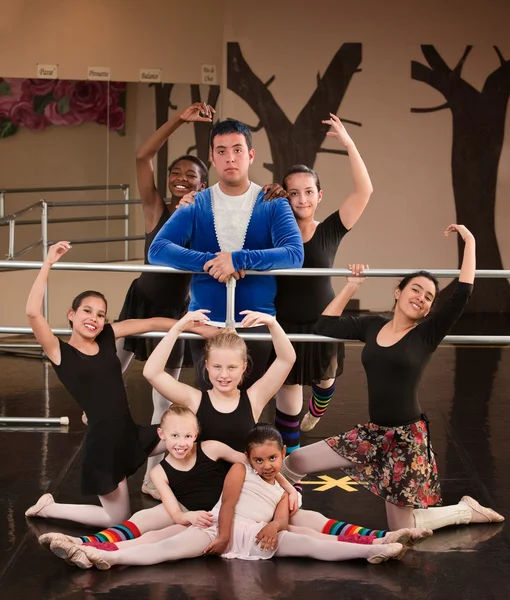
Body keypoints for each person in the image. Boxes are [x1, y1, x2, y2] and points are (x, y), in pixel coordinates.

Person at [281, 225, 505, 532]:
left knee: (402, 529)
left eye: (429, 296)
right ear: (398, 291)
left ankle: (465, 511)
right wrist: (351, 287)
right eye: (415, 289)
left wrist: (470, 240)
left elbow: (463, 293)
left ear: (429, 308)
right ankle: (277, 507)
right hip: (373, 435)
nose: (421, 298)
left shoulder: (426, 334)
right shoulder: (373, 325)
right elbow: (325, 326)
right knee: (296, 462)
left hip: (406, 442)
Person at [24, 241, 214, 527]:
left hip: (130, 434)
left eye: (100, 314)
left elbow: (150, 322)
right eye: (87, 311)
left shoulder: (107, 336)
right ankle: (48, 509)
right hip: (105, 446)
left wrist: (197, 327)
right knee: (117, 517)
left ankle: (193, 494)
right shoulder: (59, 352)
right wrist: (48, 264)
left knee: (198, 435)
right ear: (71, 314)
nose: (94, 319)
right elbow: (33, 314)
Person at [47, 424, 405, 569]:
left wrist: (277, 527)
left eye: (273, 459)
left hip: (256, 534)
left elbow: (282, 511)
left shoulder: (281, 483)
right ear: (249, 458)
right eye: (259, 459)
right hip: (216, 527)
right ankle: (95, 552)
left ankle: (372, 548)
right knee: (160, 548)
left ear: (283, 455)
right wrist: (220, 536)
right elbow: (228, 505)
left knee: (310, 540)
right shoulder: (239, 470)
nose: (266, 465)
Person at [148, 118, 304, 391]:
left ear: (250, 155)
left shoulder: (273, 202)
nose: (230, 158)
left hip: (255, 322)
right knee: (208, 407)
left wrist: (238, 259)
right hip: (206, 323)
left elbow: (294, 254)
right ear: (211, 157)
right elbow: (158, 250)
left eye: (237, 150)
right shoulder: (196, 203)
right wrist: (212, 262)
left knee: (252, 408)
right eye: (221, 151)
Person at [116, 102, 211, 500]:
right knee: (109, 364)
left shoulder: (206, 218)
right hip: (140, 301)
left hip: (174, 314)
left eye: (191, 175)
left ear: (203, 186)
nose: (181, 178)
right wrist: (180, 121)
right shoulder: (156, 207)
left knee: (160, 400)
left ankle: (150, 478)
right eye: (176, 172)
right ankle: (100, 413)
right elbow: (143, 156)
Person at [274, 113, 373, 455]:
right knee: (287, 396)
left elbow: (365, 190)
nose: (301, 199)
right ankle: (289, 463)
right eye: (293, 193)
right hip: (283, 321)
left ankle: (318, 408)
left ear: (319, 195)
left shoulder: (330, 228)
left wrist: (348, 143)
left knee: (325, 380)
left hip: (323, 319)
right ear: (283, 197)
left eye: (308, 192)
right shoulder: (273, 230)